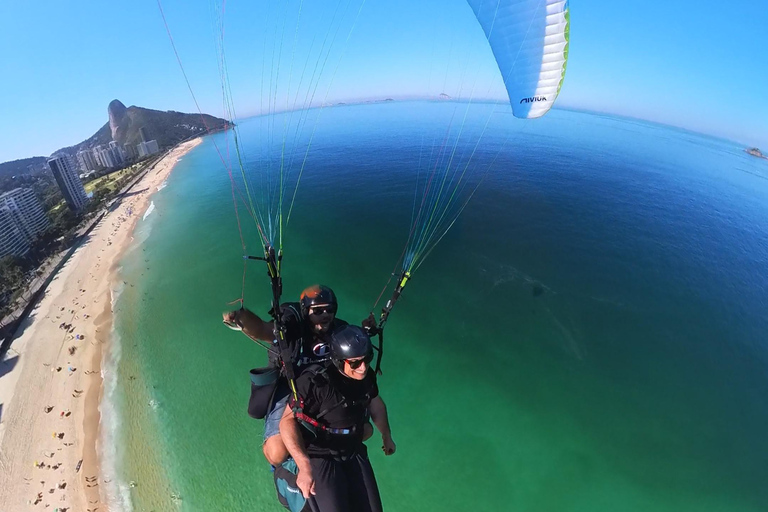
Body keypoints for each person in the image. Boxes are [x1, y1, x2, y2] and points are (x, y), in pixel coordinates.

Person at [223, 285, 351, 466]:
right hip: (289, 388)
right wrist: (240, 316)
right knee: (276, 454)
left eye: (329, 310)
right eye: (318, 311)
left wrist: (366, 331)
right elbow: (262, 329)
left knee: (364, 430)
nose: (325, 315)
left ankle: (309, 445)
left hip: (322, 390)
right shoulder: (292, 329)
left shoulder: (340, 331)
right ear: (306, 311)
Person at [279, 325, 395, 512]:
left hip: (353, 448)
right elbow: (286, 421)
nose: (363, 367)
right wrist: (304, 466)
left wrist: (386, 436)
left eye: (367, 359)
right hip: (322, 454)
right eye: (355, 363)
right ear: (339, 361)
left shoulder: (366, 377)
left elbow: (376, 404)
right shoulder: (314, 384)